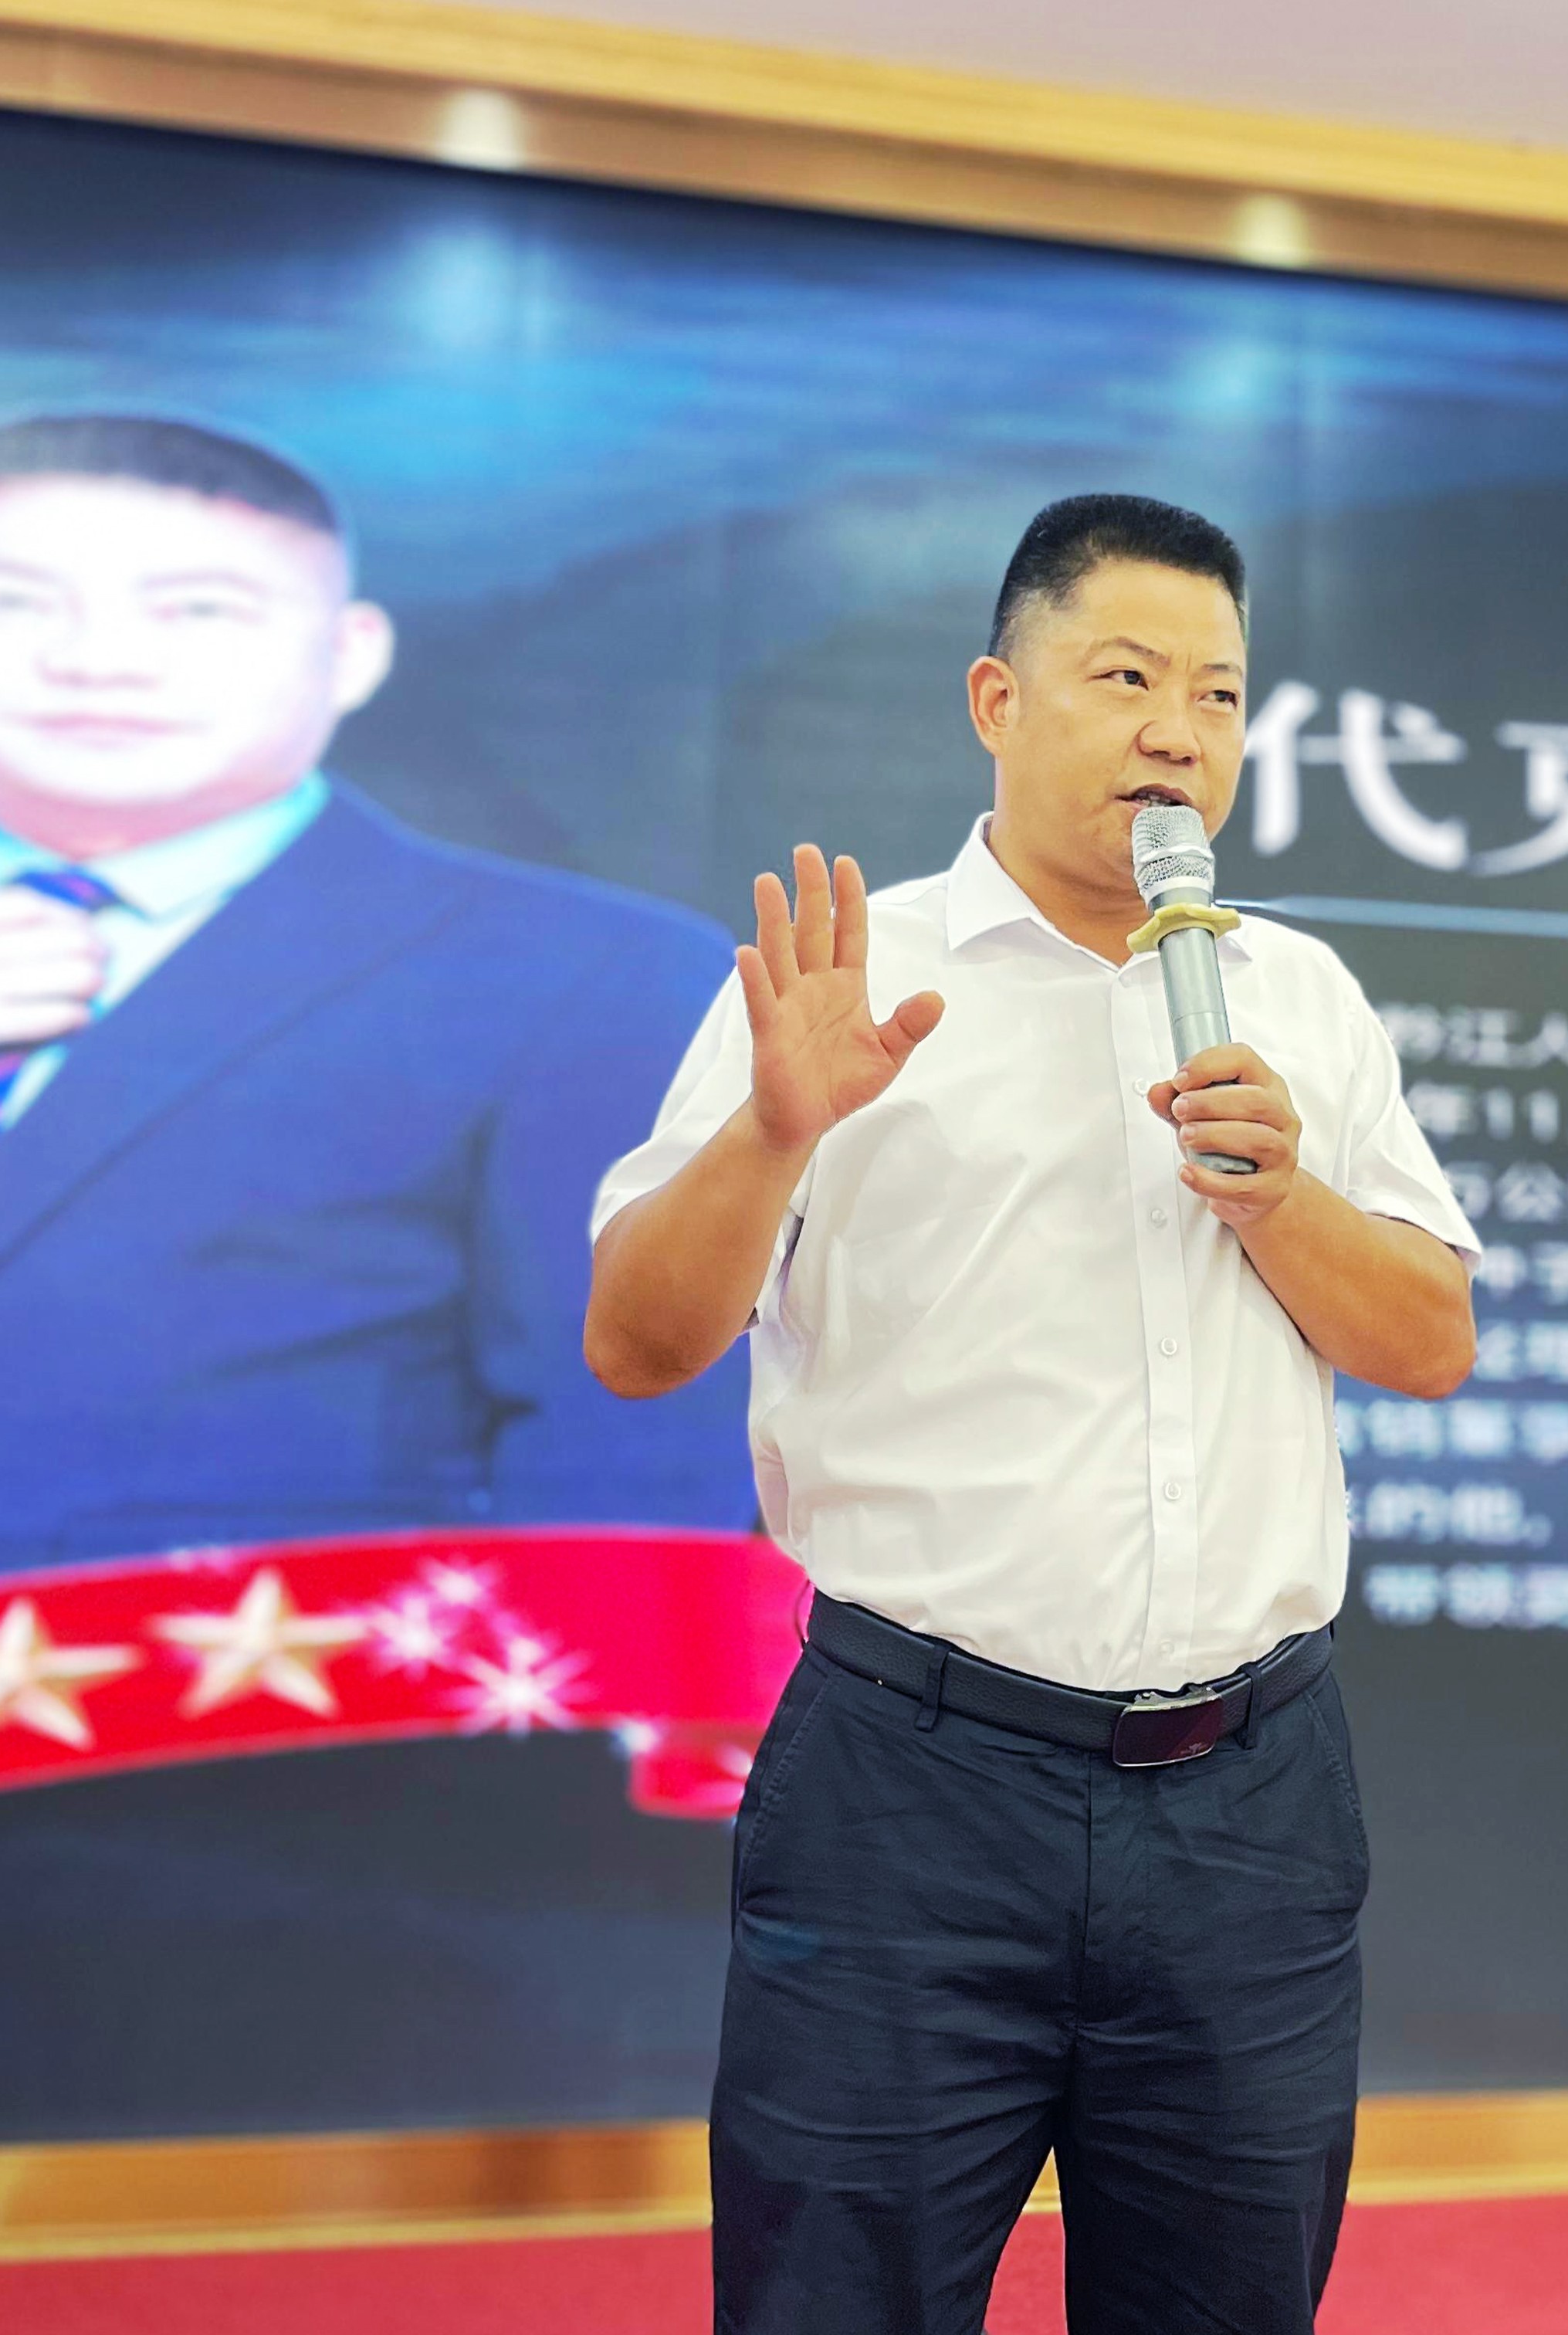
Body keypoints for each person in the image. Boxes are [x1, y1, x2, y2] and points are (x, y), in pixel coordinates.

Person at [585, 494, 1480, 2331]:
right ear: (999, 700)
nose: (1179, 735)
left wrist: (1283, 1200)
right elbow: (639, 1341)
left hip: (1250, 1806)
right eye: (1128, 678)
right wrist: (775, 1131)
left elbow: (1430, 1338)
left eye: (1220, 695)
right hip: (910, 1794)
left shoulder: (1295, 995)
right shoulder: (854, 981)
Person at [0, 412, 748, 1598]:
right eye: (8, 602)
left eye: (198, 610)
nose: (98, 663)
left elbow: (636, 1443)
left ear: (351, 652)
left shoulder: (601, 976)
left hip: (236, 1693)